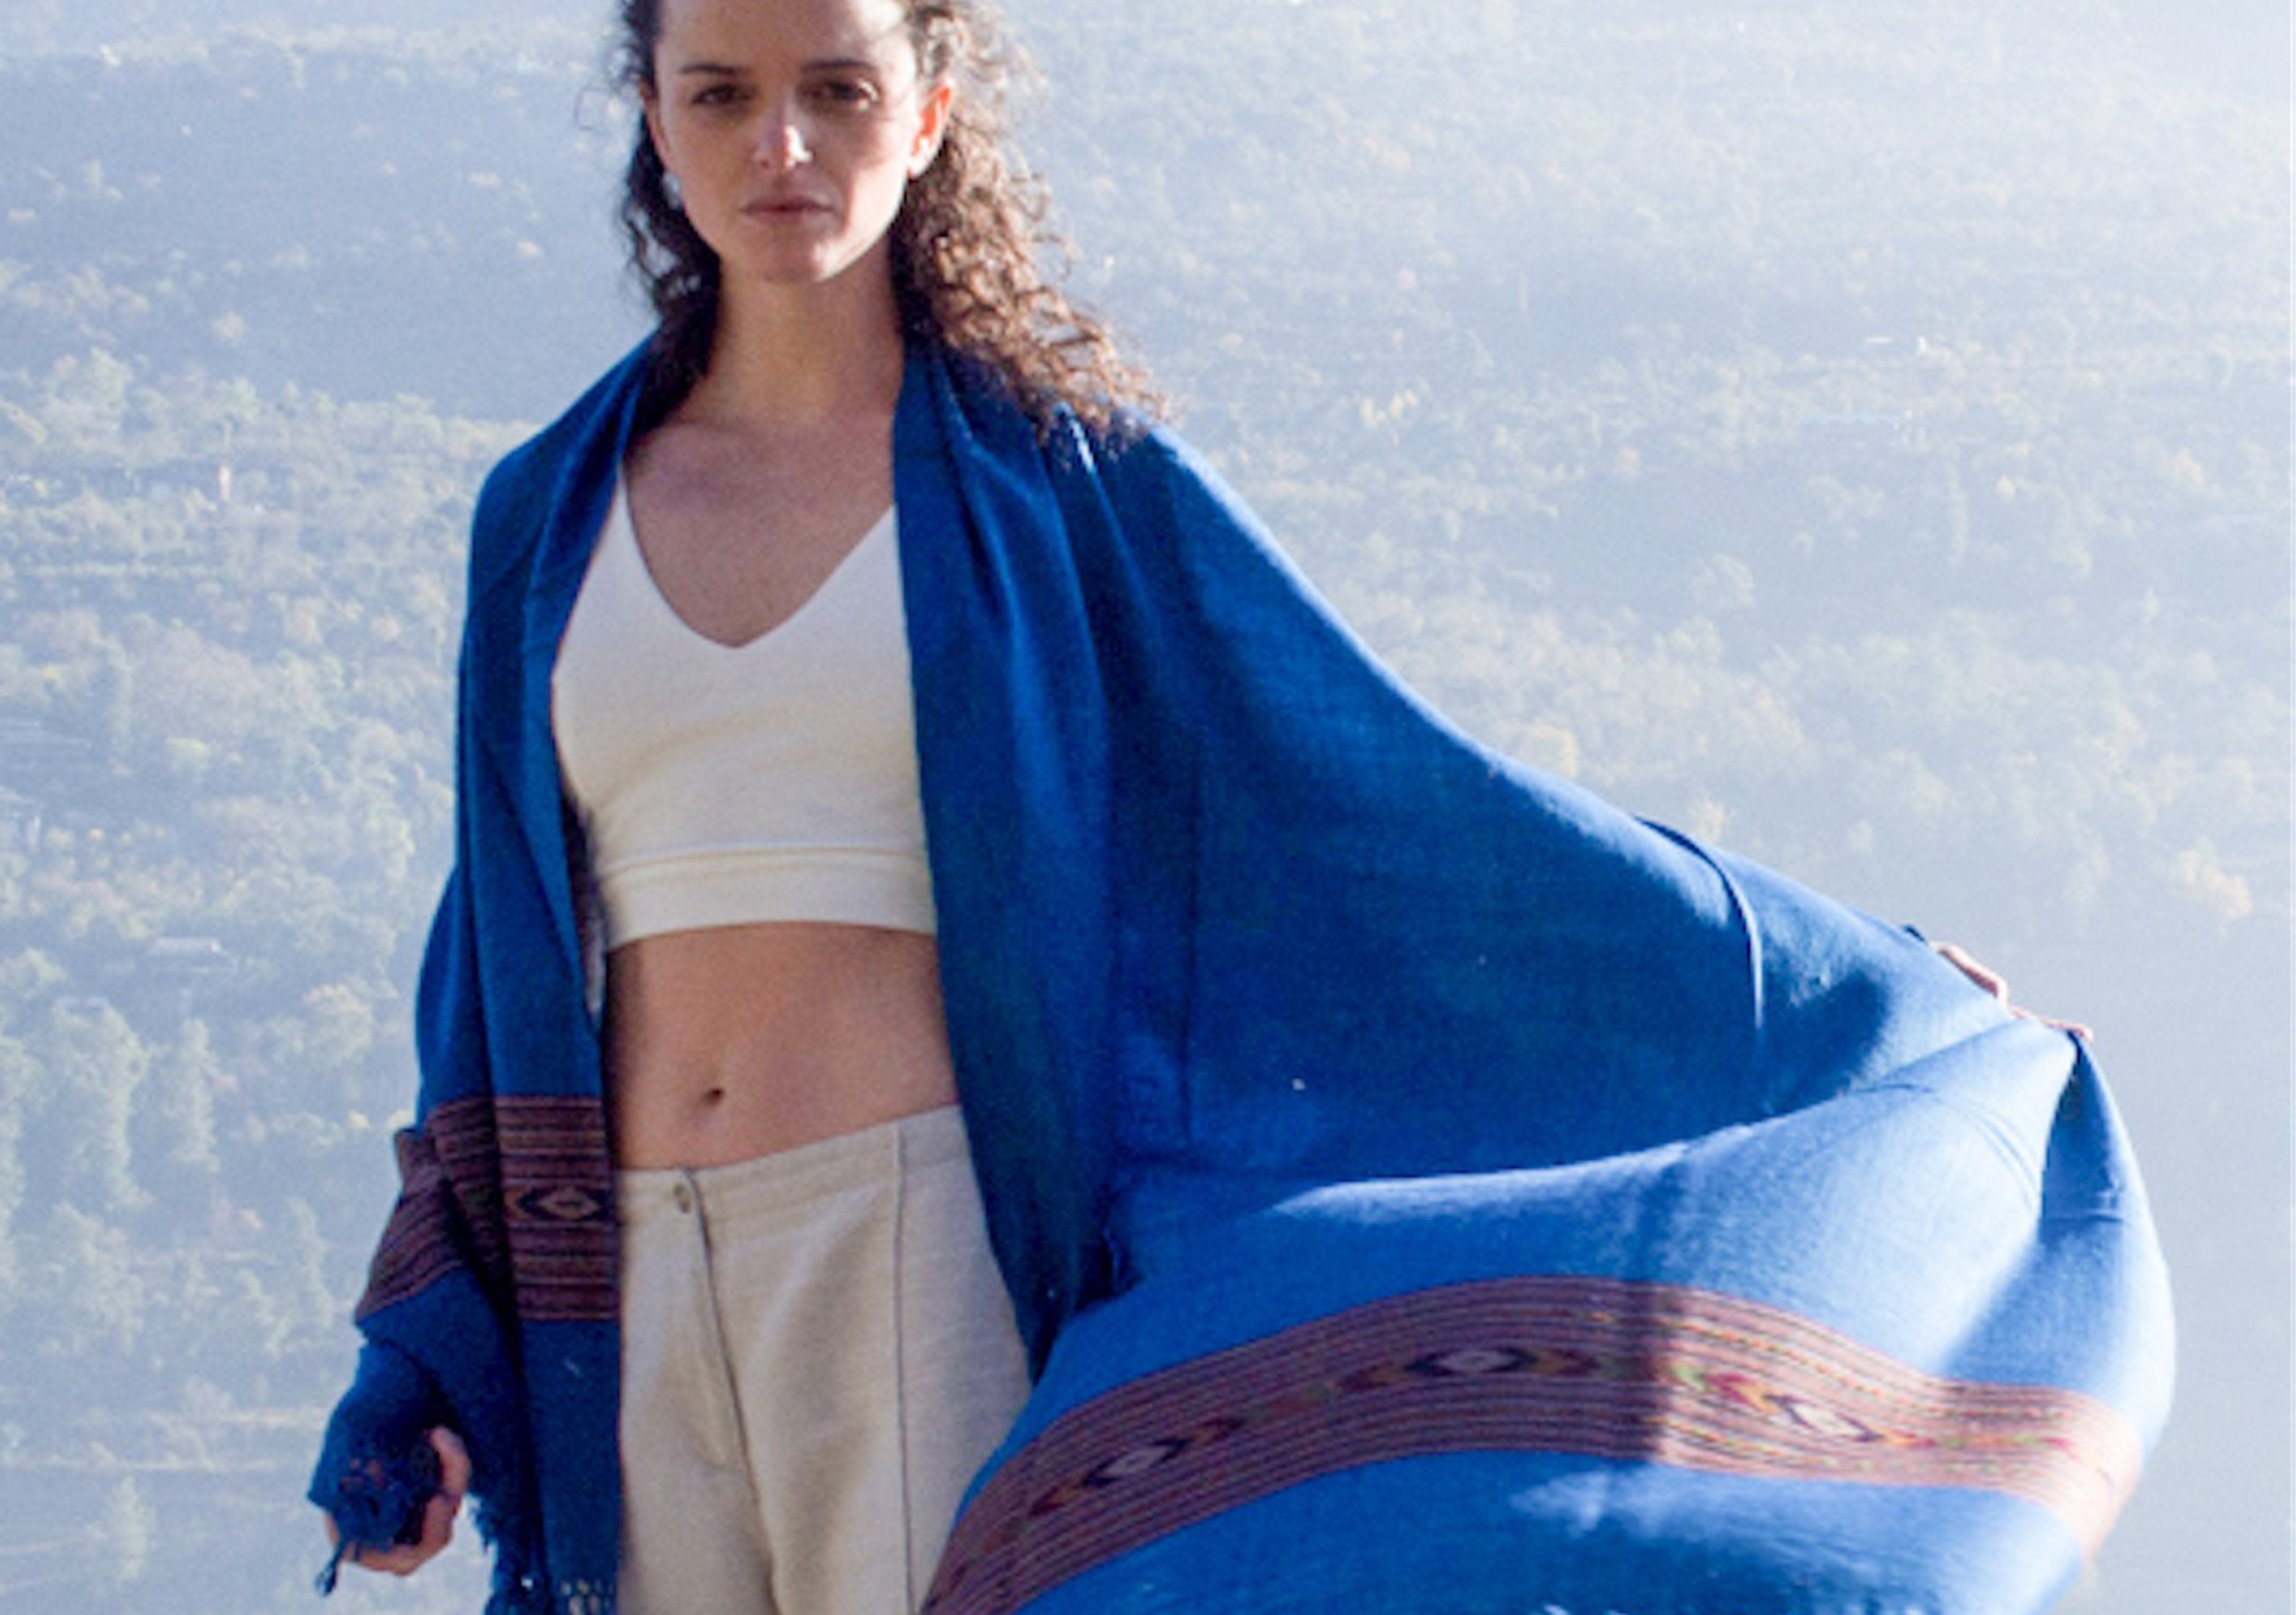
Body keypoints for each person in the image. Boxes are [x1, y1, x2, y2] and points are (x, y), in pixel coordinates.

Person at [310, 0, 2170, 1611]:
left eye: (839, 87)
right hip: (619, 1282)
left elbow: (1398, 804)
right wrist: (432, 1350)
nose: (781, 143)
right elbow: (491, 958)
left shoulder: (1058, 486)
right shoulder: (546, 517)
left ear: (933, 110)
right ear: (654, 117)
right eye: (720, 91)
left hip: (914, 1254)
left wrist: (1862, 993)